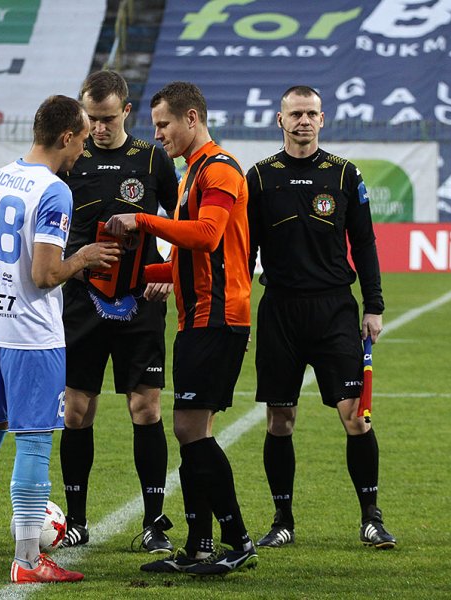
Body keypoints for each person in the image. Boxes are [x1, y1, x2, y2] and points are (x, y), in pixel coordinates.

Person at [0, 95, 120, 583]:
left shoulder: (0, 177)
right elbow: (44, 275)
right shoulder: (54, 191)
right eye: (82, 139)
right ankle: (27, 560)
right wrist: (83, 258)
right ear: (66, 136)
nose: (84, 149)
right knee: (35, 441)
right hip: (30, 335)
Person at [106, 81, 257, 576]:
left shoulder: (220, 168)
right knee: (192, 431)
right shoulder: (192, 171)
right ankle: (198, 545)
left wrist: (143, 221)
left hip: (218, 315)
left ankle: (237, 540)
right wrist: (127, 276)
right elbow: (188, 262)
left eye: (164, 124)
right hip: (198, 316)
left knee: (190, 429)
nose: (158, 134)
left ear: (192, 118)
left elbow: (208, 236)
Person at [246, 85, 396, 550]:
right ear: (280, 120)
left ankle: (371, 518)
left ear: (322, 119)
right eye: (296, 114)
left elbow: (364, 243)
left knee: (357, 417)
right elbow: (245, 250)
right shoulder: (259, 177)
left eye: (311, 113)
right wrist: (236, 310)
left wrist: (374, 305)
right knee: (280, 419)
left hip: (334, 310)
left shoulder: (345, 174)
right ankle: (282, 520)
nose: (304, 121)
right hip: (280, 311)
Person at [56, 70, 179, 552]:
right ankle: (76, 520)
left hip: (139, 302)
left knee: (145, 408)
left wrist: (168, 270)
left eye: (108, 118)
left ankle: (153, 522)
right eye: (92, 118)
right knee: (76, 411)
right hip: (81, 302)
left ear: (126, 111)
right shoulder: (71, 157)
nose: (100, 127)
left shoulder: (151, 158)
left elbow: (183, 220)